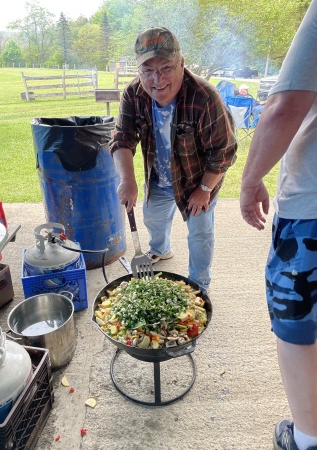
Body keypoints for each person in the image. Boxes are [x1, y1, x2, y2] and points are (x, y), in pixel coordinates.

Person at [240, 1, 317, 449]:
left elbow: (285, 106)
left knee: (297, 321)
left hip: (311, 210)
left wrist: (249, 182)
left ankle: (306, 438)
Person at [109, 26, 237, 295]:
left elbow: (224, 149)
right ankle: (161, 249)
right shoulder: (133, 94)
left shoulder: (205, 97)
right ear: (138, 70)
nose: (157, 79)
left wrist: (205, 190)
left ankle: (199, 285)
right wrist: (127, 180)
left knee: (200, 234)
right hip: (159, 176)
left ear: (181, 63)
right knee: (152, 218)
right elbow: (122, 137)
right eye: (148, 71)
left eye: (166, 68)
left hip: (198, 181)